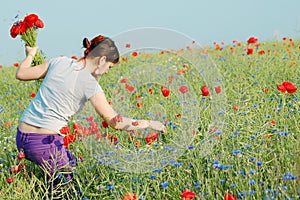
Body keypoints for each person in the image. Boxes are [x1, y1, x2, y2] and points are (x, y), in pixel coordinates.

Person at [15, 35, 166, 190]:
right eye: (109, 66)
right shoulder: (90, 84)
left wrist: (31, 54)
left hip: (21, 137)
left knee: (73, 162)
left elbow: (21, 74)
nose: (107, 71)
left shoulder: (59, 61)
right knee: (70, 189)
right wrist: (148, 123)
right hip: (44, 143)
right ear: (101, 60)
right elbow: (116, 122)